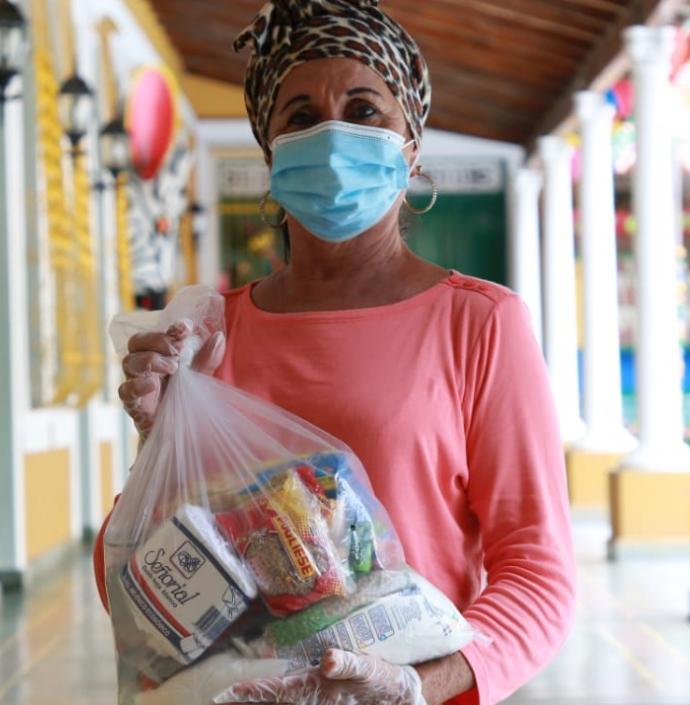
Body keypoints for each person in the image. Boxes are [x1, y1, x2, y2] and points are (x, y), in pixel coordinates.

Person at [99, 1, 576, 703]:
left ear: (410, 145)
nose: (332, 136)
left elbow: (540, 574)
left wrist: (418, 685)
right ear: (270, 153)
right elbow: (132, 589)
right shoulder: (207, 336)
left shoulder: (479, 325)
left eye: (364, 110)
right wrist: (157, 437)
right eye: (300, 117)